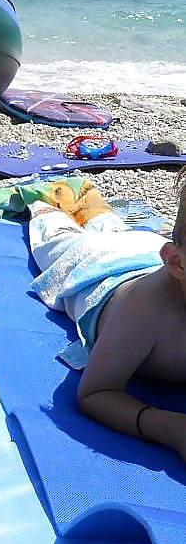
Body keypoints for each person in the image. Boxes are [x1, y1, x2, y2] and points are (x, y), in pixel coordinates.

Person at [25, 171, 186, 460]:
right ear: (178, 264)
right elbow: (95, 393)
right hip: (96, 265)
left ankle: (97, 208)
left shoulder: (179, 266)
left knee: (113, 229)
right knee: (57, 238)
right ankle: (47, 198)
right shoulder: (147, 311)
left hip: (146, 248)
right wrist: (171, 428)